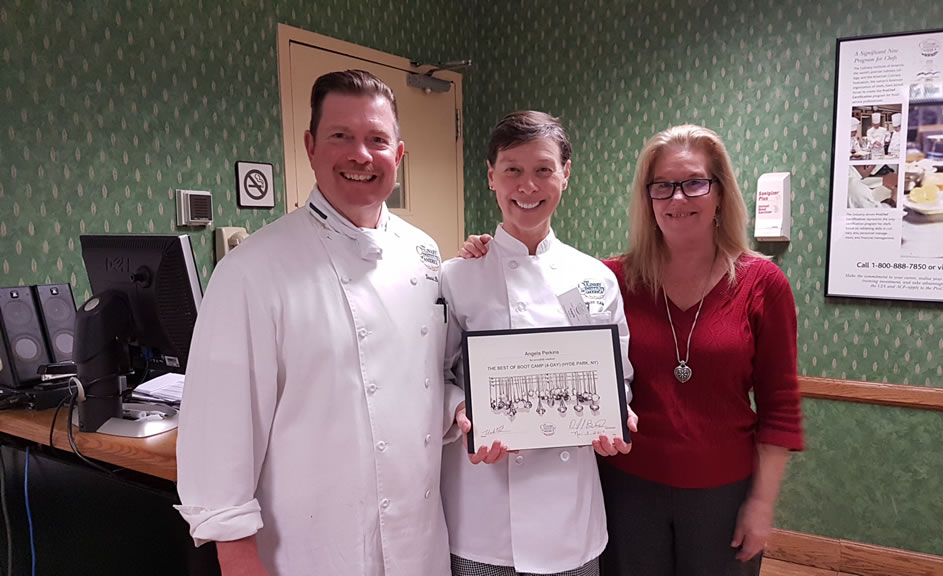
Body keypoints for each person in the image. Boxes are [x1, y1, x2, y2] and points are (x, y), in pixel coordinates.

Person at [460, 124, 804, 576]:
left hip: (722, 493)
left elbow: (781, 407)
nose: (677, 198)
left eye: (694, 183)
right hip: (628, 490)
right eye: (662, 186)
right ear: (648, 197)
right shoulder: (608, 280)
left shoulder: (762, 283)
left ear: (721, 192)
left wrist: (761, 505)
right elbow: (537, 286)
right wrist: (487, 251)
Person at [176, 70, 452, 576]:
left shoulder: (424, 252)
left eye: (377, 140)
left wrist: (461, 406)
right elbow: (218, 427)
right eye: (340, 136)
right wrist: (236, 554)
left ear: (398, 154)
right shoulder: (253, 269)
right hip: (312, 548)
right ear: (310, 146)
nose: (360, 155)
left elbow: (427, 375)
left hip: (420, 540)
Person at [440, 111, 637, 576]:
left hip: (570, 517)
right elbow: (434, 376)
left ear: (565, 174)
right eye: (513, 169)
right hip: (484, 512)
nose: (527, 186)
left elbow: (619, 376)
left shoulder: (595, 278)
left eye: (543, 169)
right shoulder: (456, 276)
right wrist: (460, 410)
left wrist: (618, 415)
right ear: (491, 176)